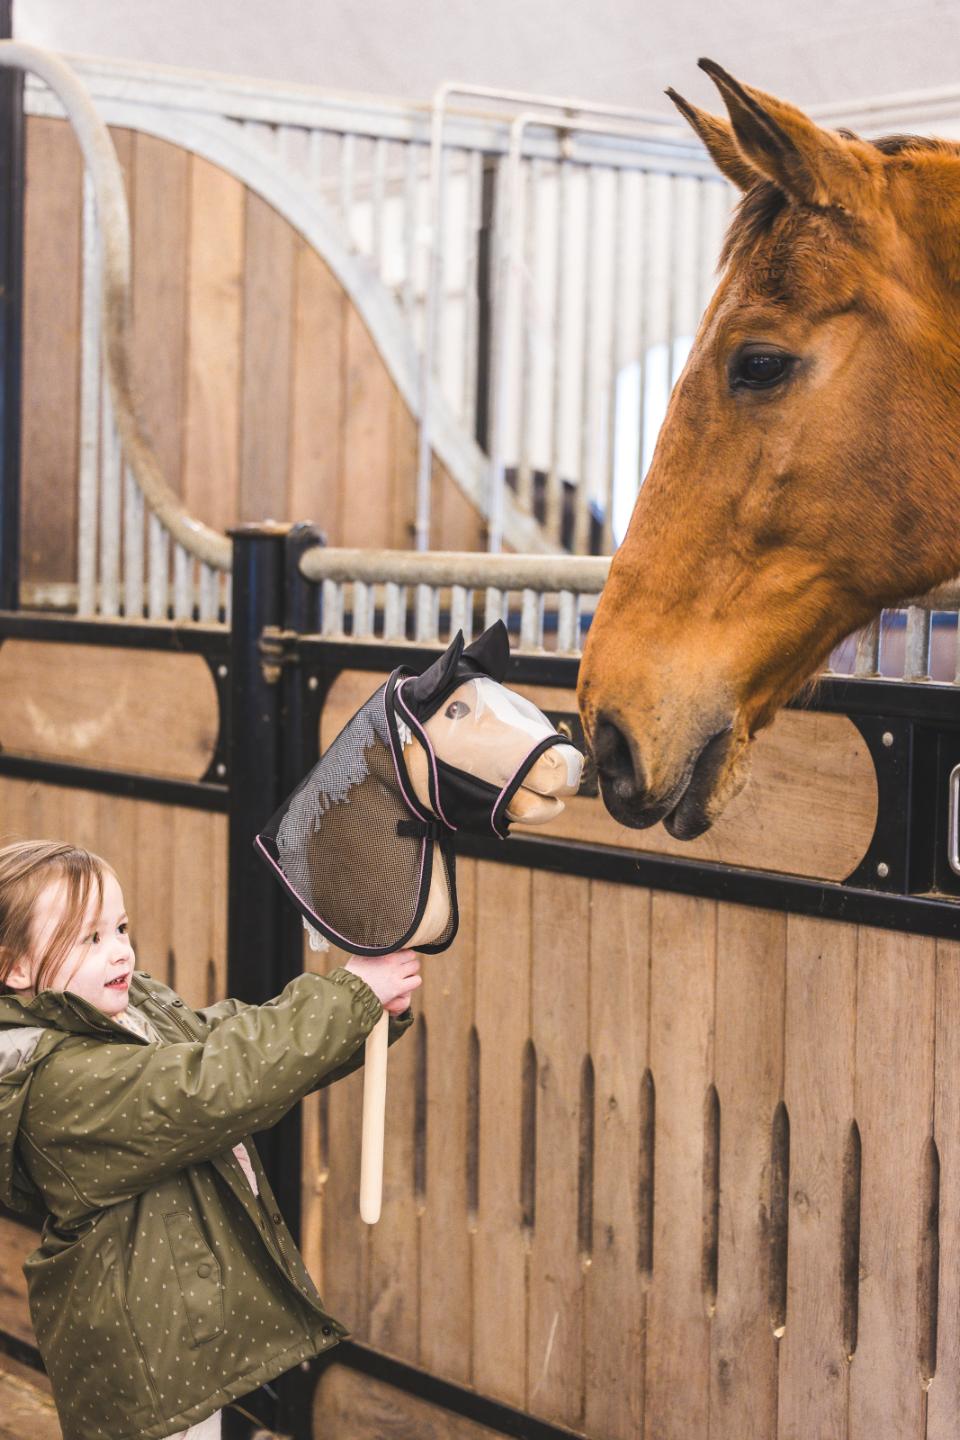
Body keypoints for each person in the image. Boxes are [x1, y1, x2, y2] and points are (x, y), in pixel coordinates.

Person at [0, 839, 421, 1440]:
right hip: (141, 1356)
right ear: (15, 967)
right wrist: (350, 997)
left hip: (178, 1342)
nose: (119, 949)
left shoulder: (129, 1018)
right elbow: (214, 1084)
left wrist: (360, 1014)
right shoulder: (58, 1079)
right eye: (88, 938)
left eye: (120, 927)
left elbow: (239, 1039)